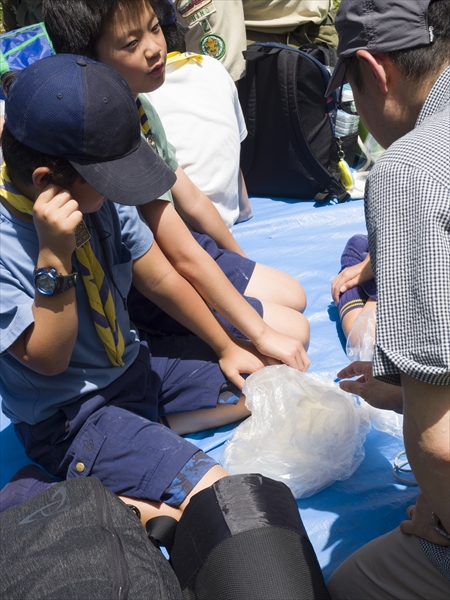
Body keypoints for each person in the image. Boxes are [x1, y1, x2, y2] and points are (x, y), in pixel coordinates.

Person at [0, 53, 330, 599]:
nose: (117, 193)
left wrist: (228, 345)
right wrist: (54, 260)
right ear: (46, 182)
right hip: (74, 417)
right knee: (219, 496)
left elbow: (161, 277)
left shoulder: (94, 192)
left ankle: (148, 441)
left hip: (133, 370)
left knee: (272, 379)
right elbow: (51, 358)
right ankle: (95, 492)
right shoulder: (13, 242)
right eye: (108, 181)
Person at [42, 0, 311, 371]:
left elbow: (192, 198)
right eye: (131, 43)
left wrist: (240, 261)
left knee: (294, 296)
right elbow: (177, 256)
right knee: (293, 332)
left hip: (180, 251)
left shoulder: (141, 109)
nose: (155, 47)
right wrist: (257, 335)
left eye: (154, 28)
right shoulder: (106, 139)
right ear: (88, 58)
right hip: (149, 279)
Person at [323, 0, 450, 597]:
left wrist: (445, 514)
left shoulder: (408, 172)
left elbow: (441, 448)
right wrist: (403, 393)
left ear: (375, 72)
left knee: (346, 584)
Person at [148, 1, 253, 230]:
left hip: (184, 226)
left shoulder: (143, 94)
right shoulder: (215, 68)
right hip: (229, 216)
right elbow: (235, 147)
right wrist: (244, 209)